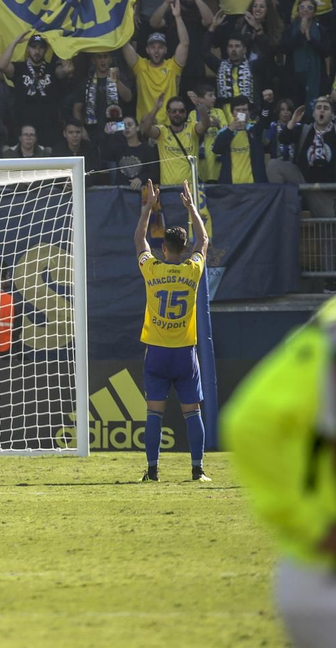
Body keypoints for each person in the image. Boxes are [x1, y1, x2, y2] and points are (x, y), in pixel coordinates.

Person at [222, 293, 336, 648]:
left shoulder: (331, 322)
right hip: (329, 573)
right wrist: (312, 525)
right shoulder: (334, 335)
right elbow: (248, 424)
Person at [134, 179, 211, 483]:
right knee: (192, 413)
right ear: (184, 248)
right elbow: (203, 240)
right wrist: (192, 208)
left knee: (154, 413)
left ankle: (152, 471)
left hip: (156, 351)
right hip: (184, 353)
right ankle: (197, 470)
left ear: (163, 248)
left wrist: (148, 207)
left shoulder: (152, 269)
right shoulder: (193, 270)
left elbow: (139, 239)